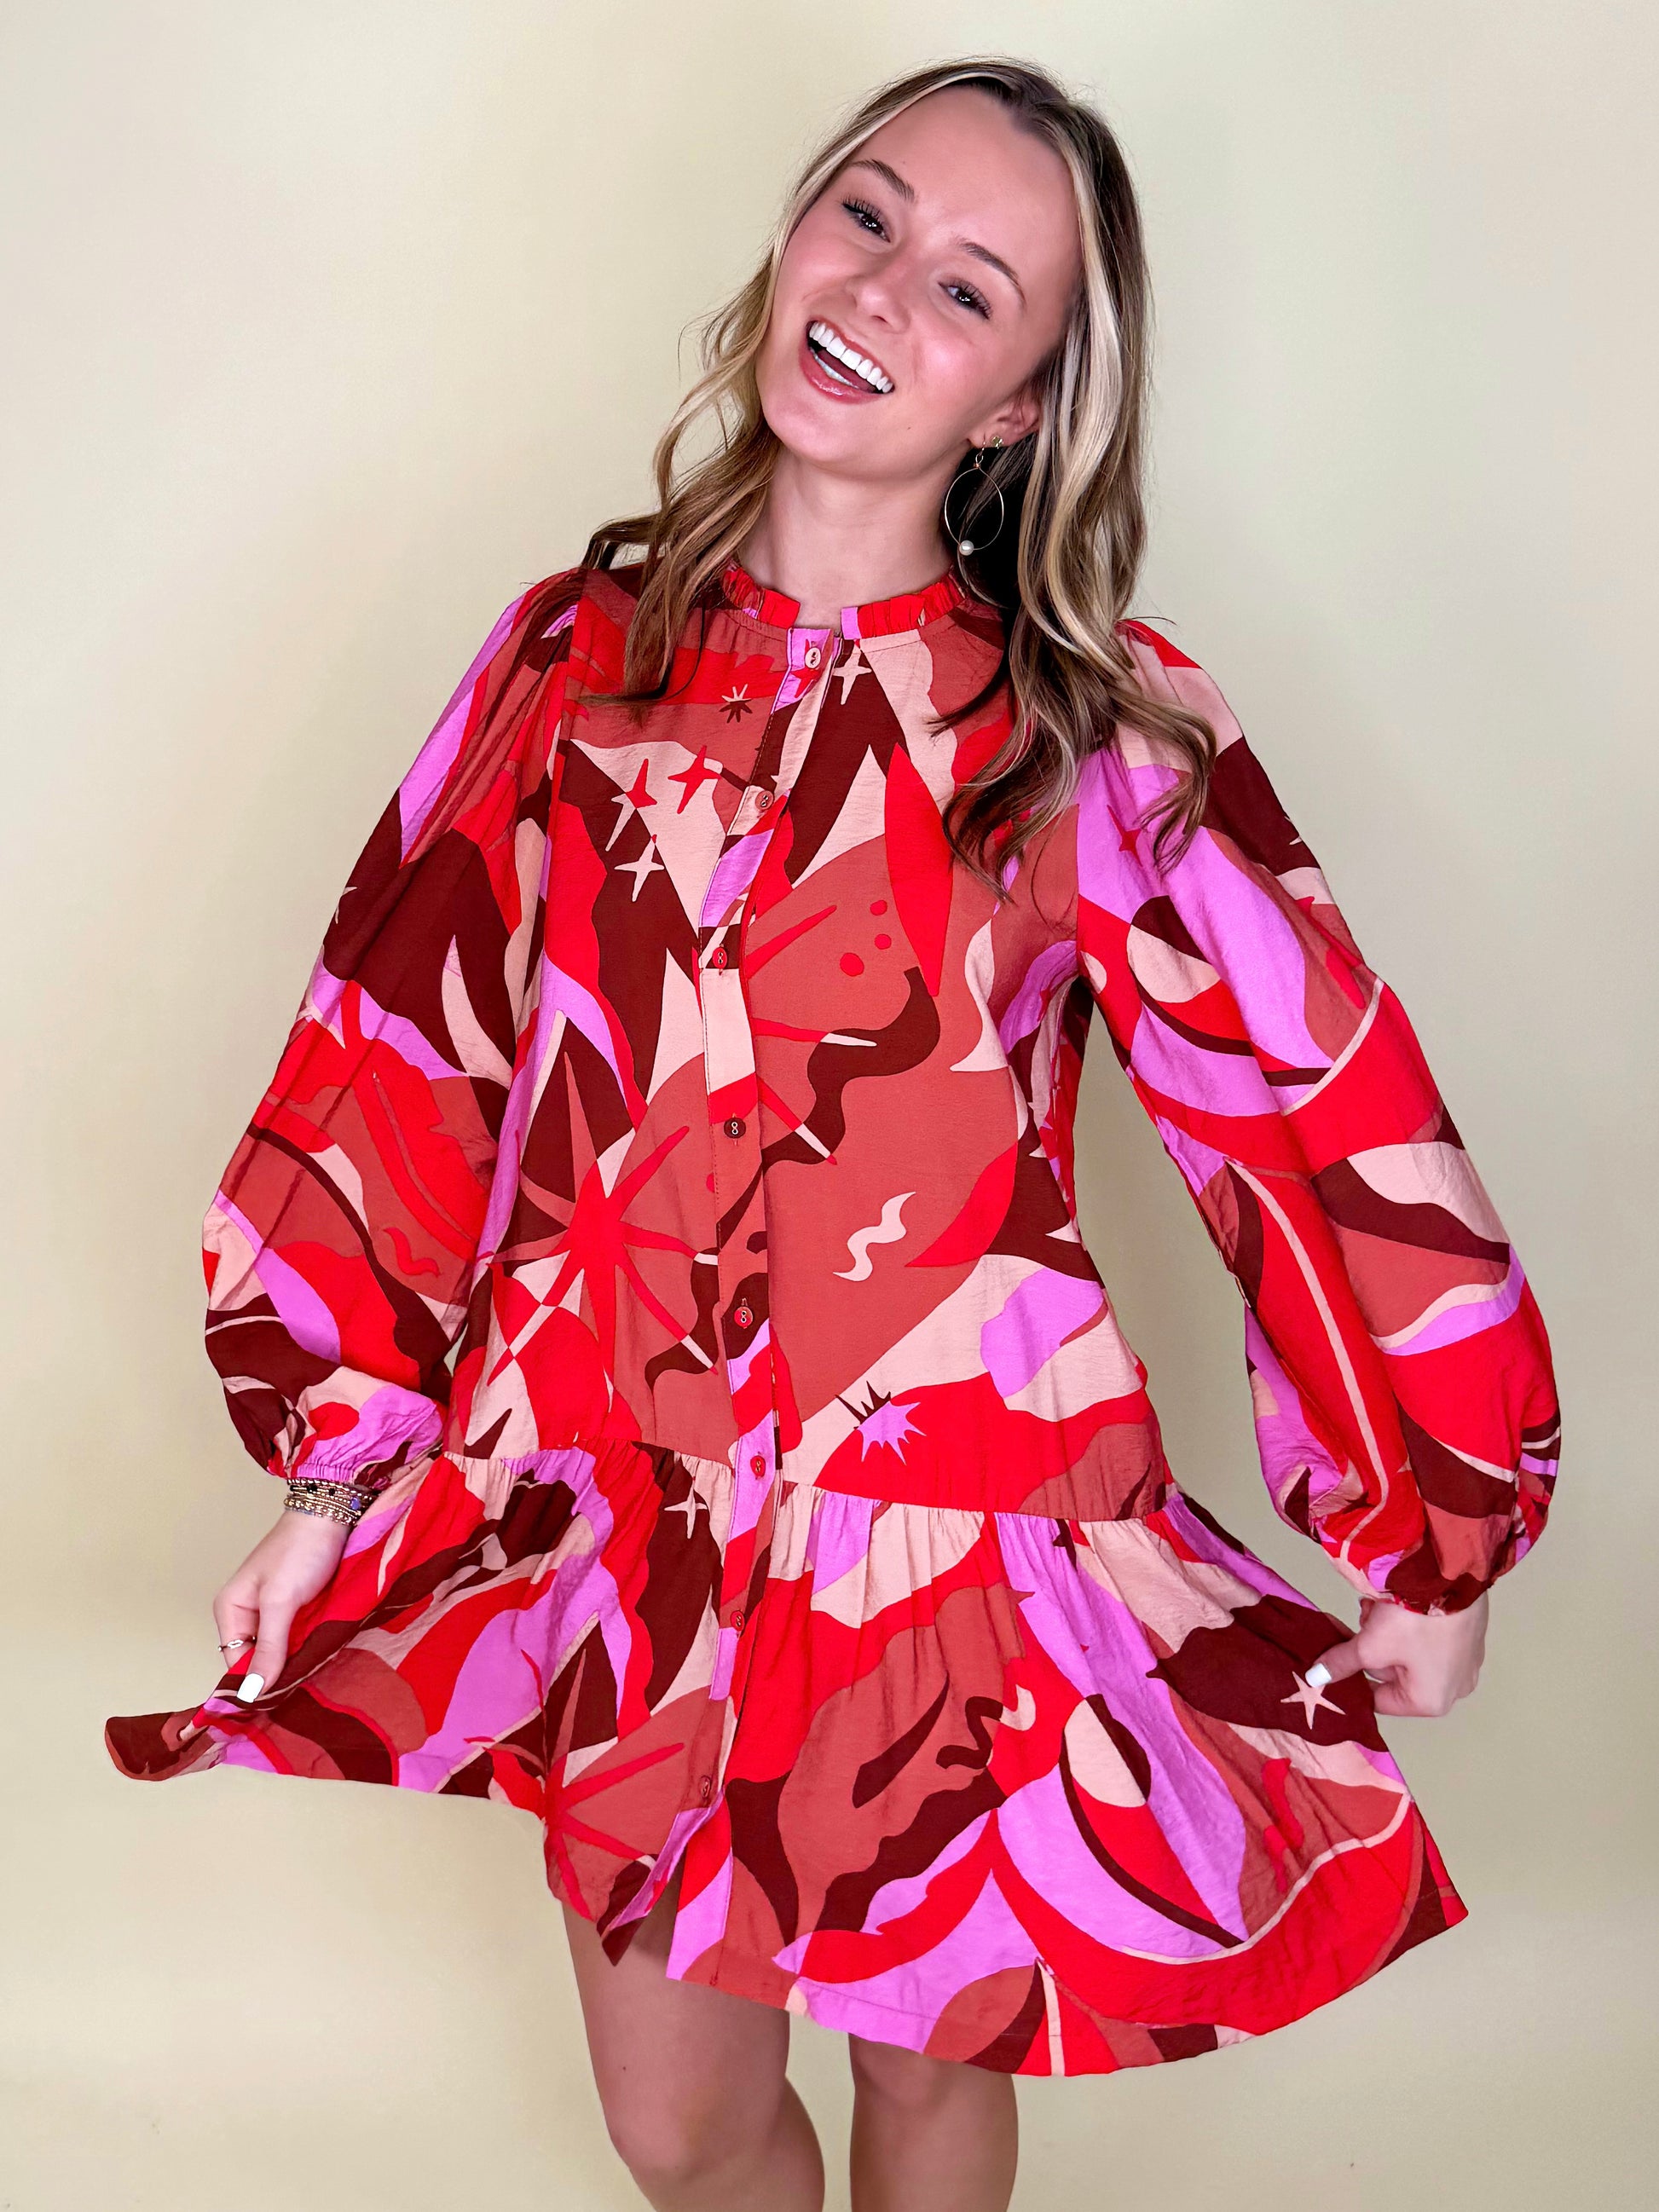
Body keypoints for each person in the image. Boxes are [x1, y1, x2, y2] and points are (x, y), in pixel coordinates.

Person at [105, 56, 1560, 2212]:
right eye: (865, 215)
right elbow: (400, 1060)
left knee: (926, 2077)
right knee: (678, 2121)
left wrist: (1431, 1527)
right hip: (625, 1501)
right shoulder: (573, 661)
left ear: (1020, 402)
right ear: (794, 232)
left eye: (967, 287)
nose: (881, 289)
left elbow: (1309, 1098)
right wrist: (334, 1474)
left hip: (950, 1527)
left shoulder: (1085, 730)